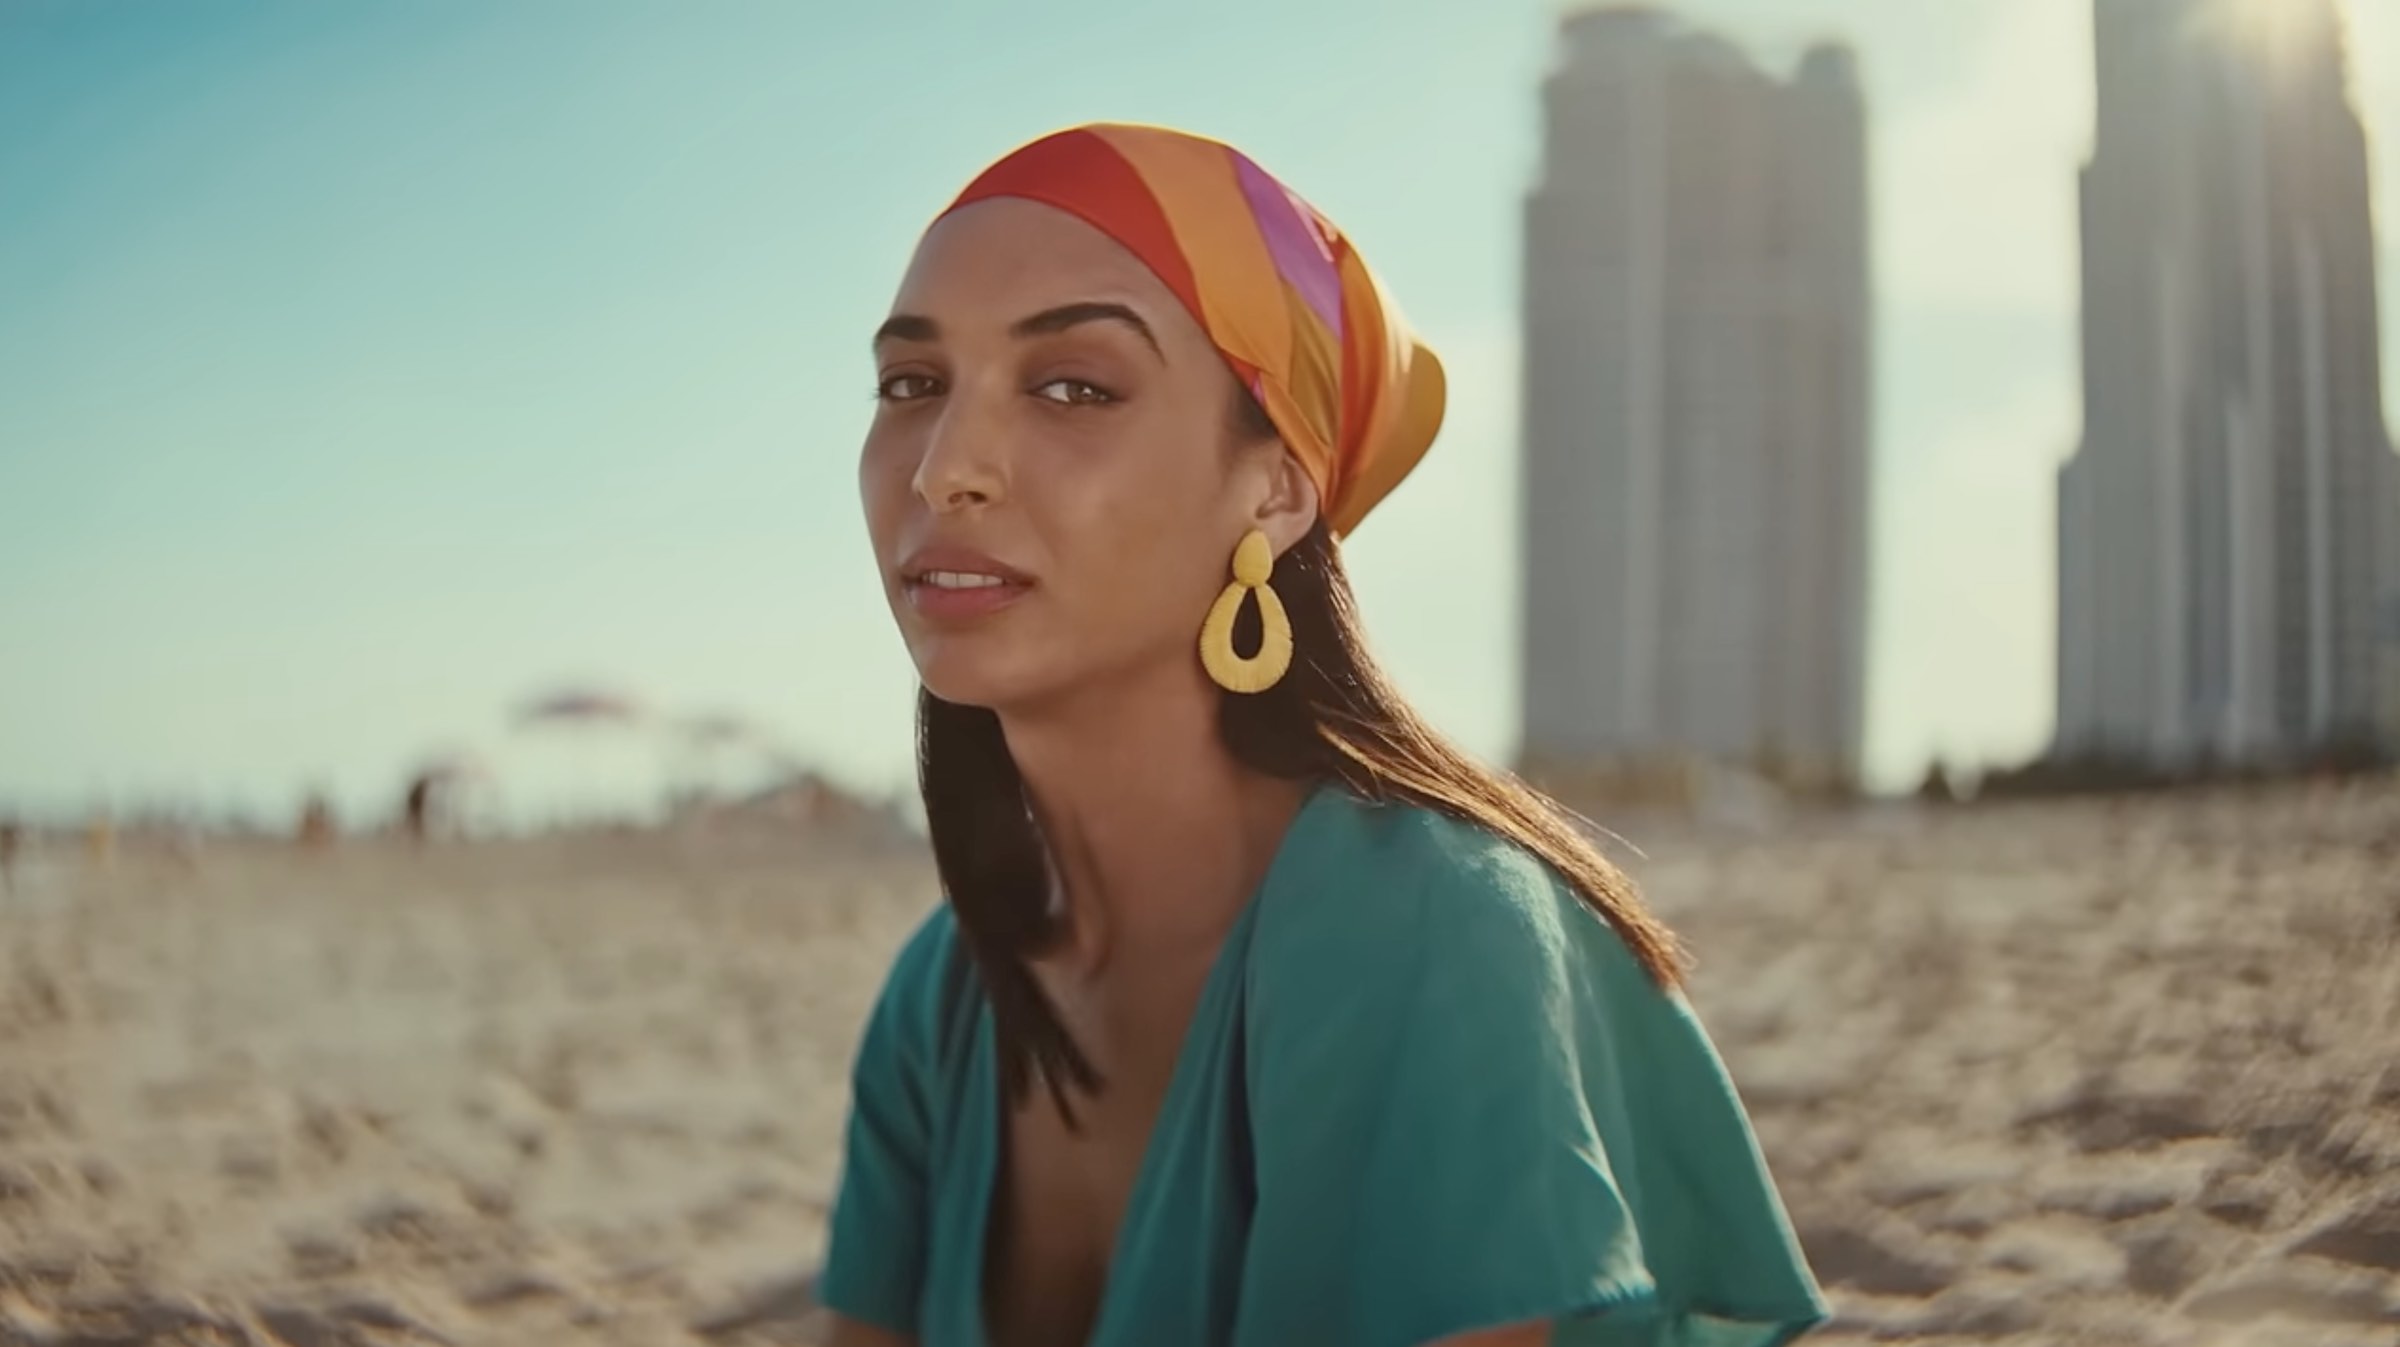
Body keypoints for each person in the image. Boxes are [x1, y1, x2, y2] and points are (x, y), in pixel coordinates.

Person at [822, 123, 1828, 1347]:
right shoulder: (947, 992)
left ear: (1276, 488)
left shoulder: (1430, 926)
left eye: (1073, 386)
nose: (945, 469)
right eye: (912, 386)